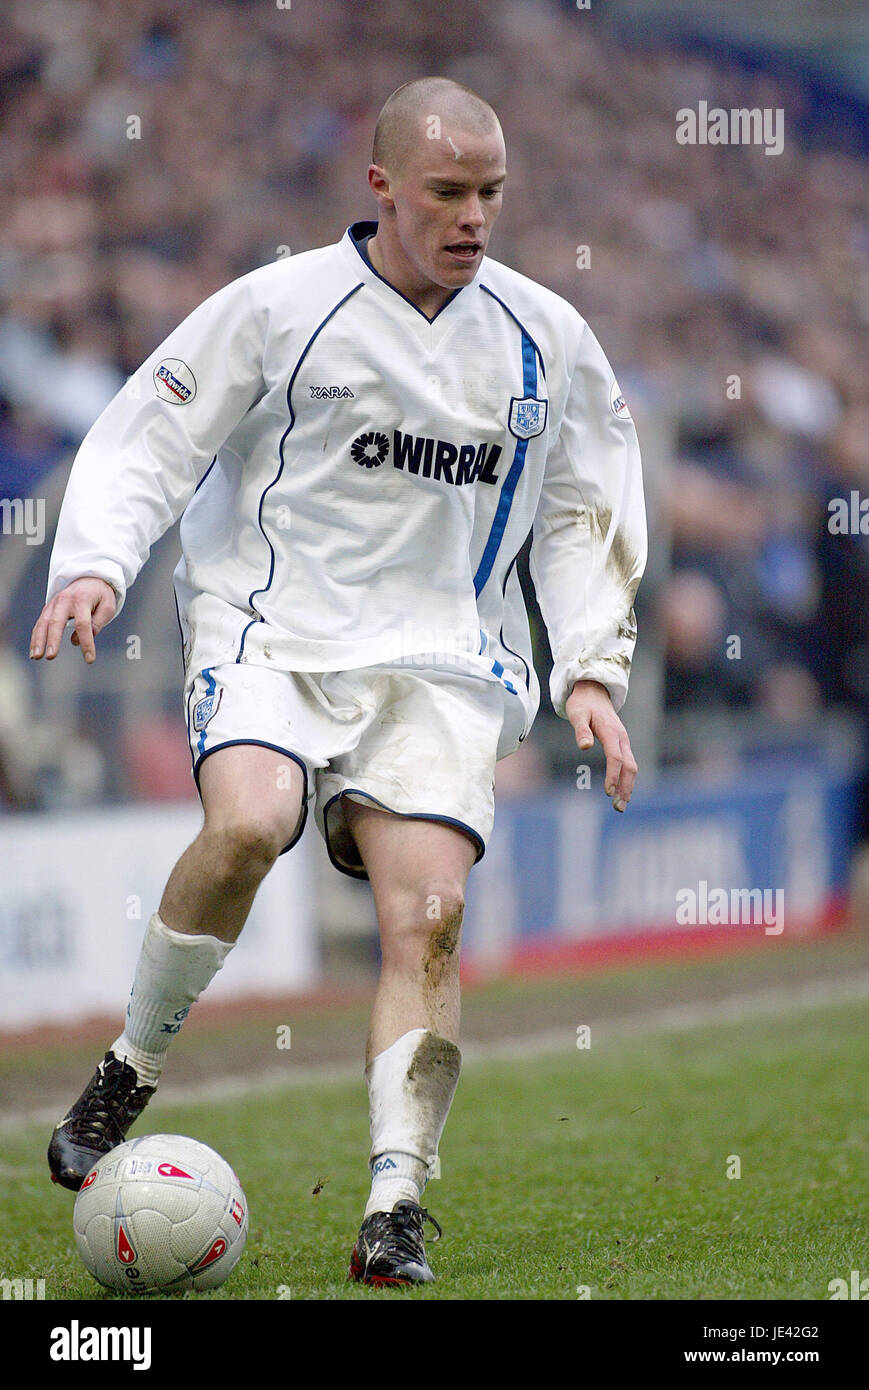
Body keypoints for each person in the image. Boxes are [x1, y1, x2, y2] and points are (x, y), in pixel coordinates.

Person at [30, 77, 646, 1287]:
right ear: (381, 186)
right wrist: (97, 565)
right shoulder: (279, 305)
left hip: (440, 659)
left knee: (429, 916)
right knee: (250, 821)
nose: (473, 216)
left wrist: (589, 668)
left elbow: (583, 509)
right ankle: (129, 1068)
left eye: (491, 193)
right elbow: (155, 433)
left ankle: (394, 1204)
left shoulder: (545, 337)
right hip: (274, 630)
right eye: (447, 192)